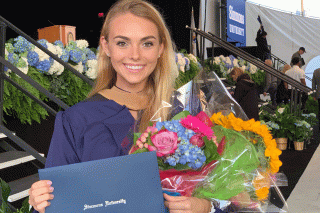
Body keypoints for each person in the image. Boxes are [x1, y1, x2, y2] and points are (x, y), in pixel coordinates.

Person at [28, 1, 215, 213]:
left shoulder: (184, 112)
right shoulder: (76, 120)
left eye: (147, 44)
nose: (134, 55)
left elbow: (225, 188)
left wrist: (206, 206)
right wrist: (41, 202)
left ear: (161, 48)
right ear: (106, 46)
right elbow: (59, 203)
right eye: (122, 43)